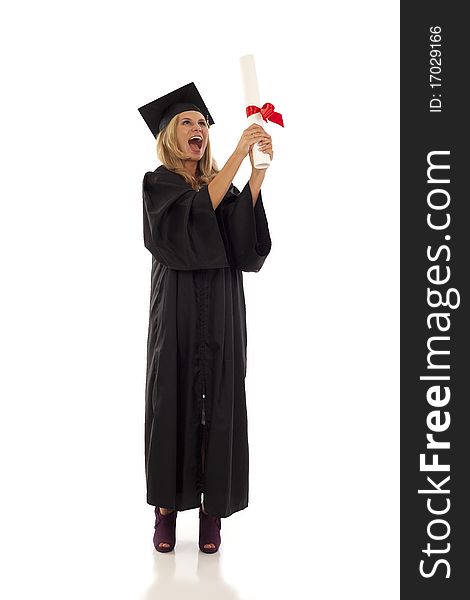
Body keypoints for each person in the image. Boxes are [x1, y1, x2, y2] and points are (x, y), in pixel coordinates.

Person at [138, 82, 273, 553]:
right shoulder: (159, 184)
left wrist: (255, 178)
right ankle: (167, 510)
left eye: (202, 123)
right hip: (174, 311)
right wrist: (239, 153)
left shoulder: (220, 184)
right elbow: (191, 220)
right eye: (187, 122)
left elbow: (244, 249)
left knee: (218, 403)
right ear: (169, 136)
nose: (198, 129)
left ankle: (213, 511)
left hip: (220, 310)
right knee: (171, 401)